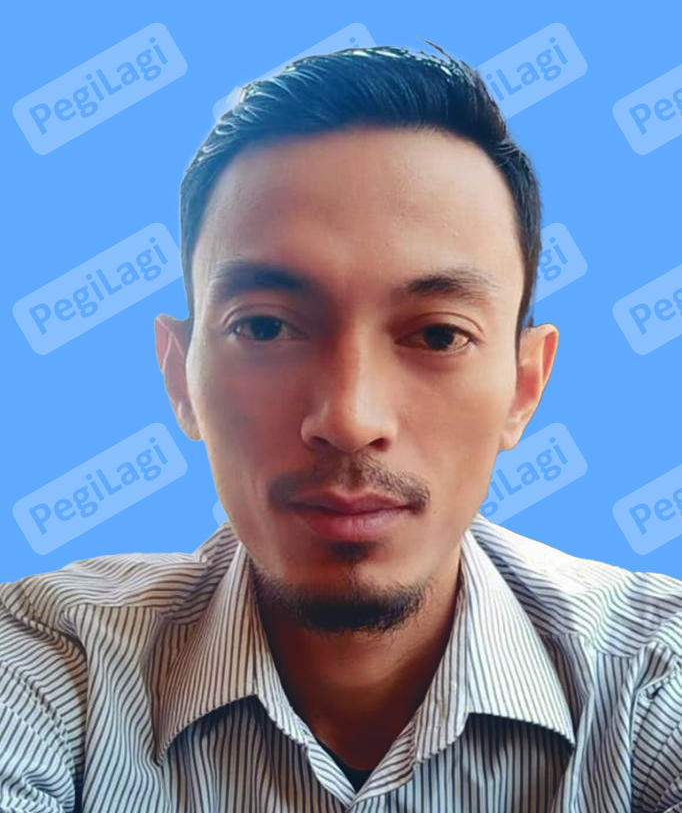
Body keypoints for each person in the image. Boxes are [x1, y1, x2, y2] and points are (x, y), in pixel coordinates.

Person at [1, 45, 681, 813]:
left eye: (438, 335)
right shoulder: (52, 660)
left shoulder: (653, 679)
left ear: (525, 387)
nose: (350, 419)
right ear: (179, 376)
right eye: (264, 326)